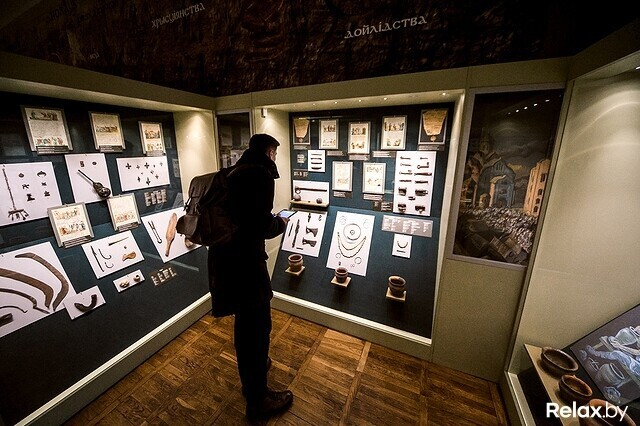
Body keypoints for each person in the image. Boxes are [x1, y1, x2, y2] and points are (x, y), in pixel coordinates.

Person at [207, 133, 293, 422]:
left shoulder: (233, 171)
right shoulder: (260, 174)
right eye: (275, 153)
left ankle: (253, 374)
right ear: (269, 152)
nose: (275, 159)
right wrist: (280, 223)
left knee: (246, 324)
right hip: (245, 264)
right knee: (257, 327)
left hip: (225, 260)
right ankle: (258, 400)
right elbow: (260, 224)